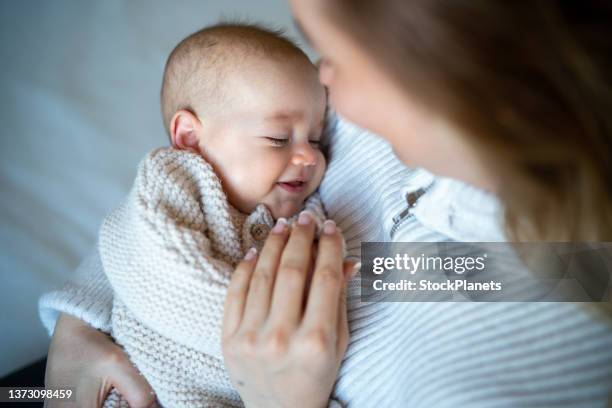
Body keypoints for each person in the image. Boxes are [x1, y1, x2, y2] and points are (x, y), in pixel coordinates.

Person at [41, 1, 612, 407]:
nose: (322, 75)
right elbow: (185, 193)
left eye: (332, 49)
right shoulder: (349, 122)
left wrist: (282, 402)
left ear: (433, 72)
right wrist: (76, 326)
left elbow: (414, 275)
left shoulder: (550, 305)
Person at [79, 23, 352, 407]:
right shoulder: (175, 183)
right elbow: (158, 269)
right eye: (278, 138)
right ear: (190, 138)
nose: (309, 156)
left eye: (317, 140)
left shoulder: (305, 211)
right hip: (136, 383)